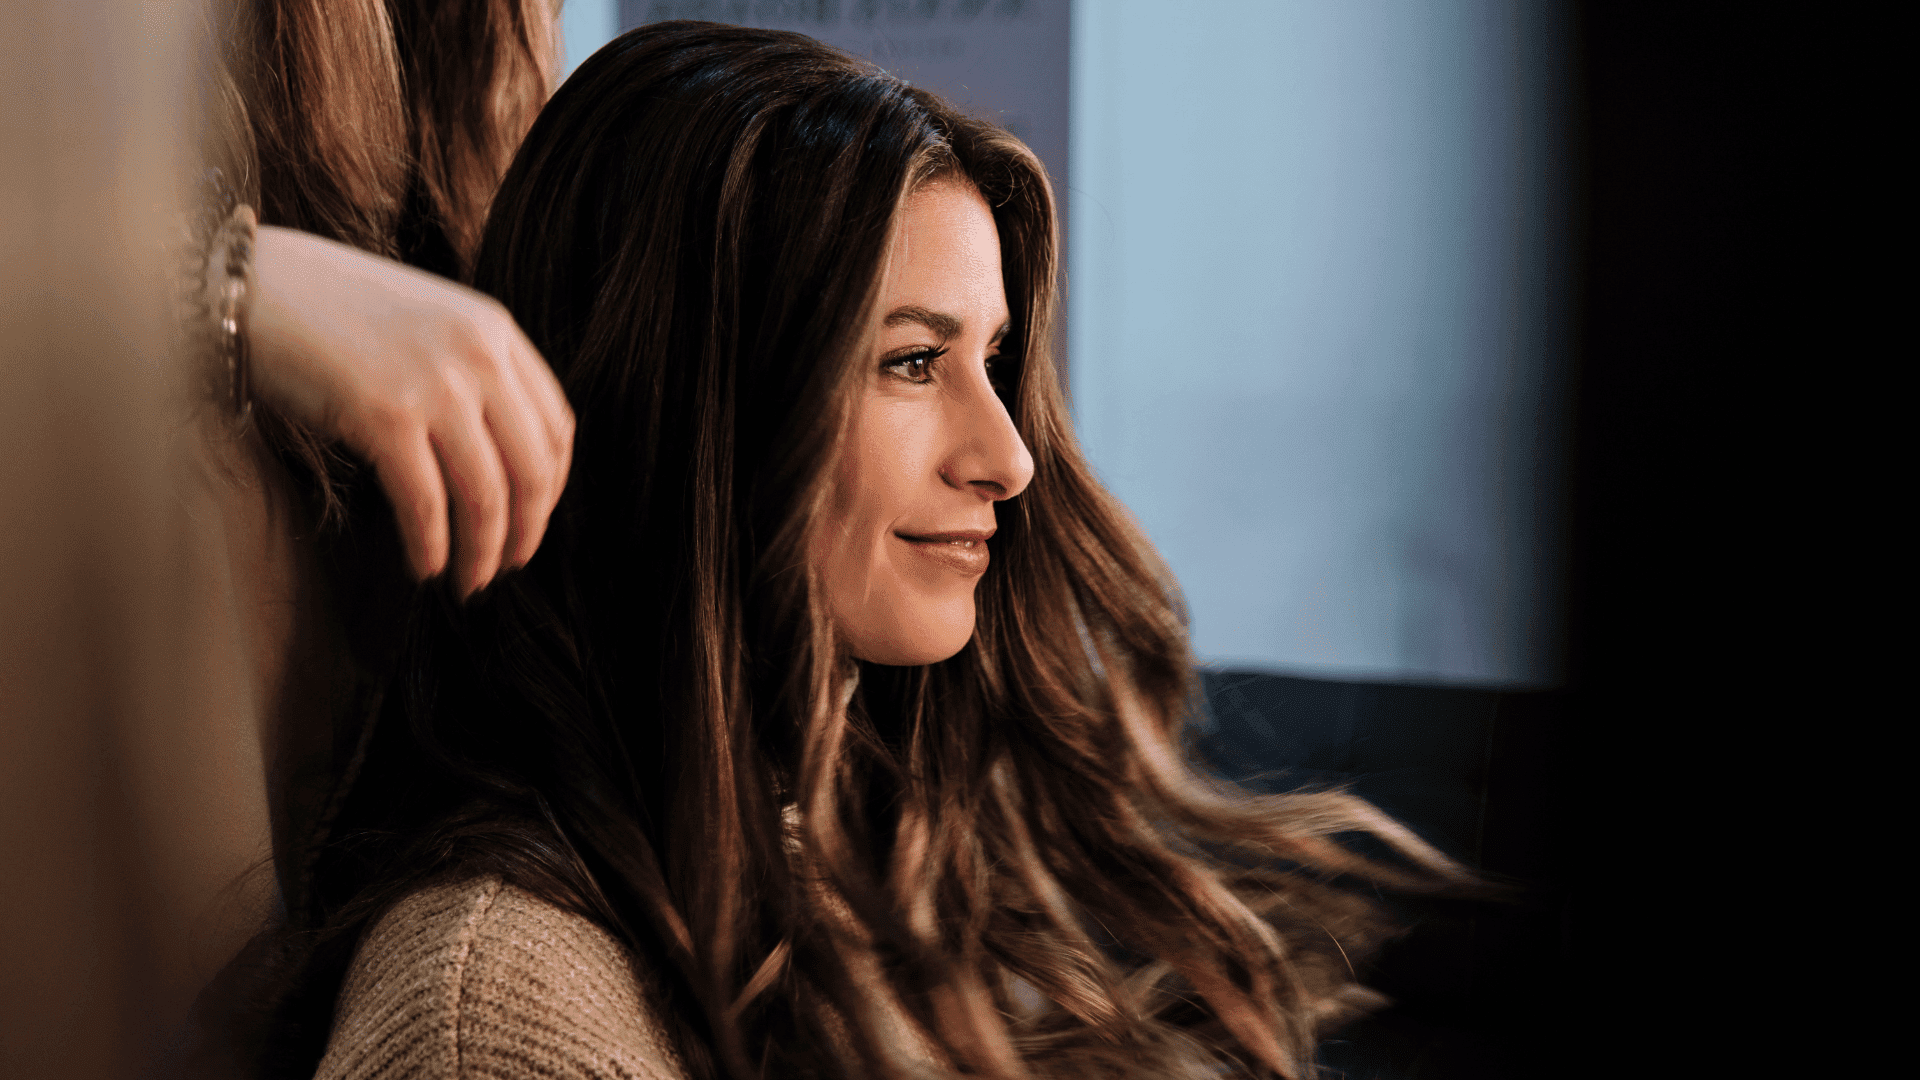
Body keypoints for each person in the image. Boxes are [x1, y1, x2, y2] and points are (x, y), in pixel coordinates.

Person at [257, 22, 1462, 1080]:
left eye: (988, 362)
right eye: (910, 363)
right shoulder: (494, 1018)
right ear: (693, 411)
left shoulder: (862, 853)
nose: (1009, 460)